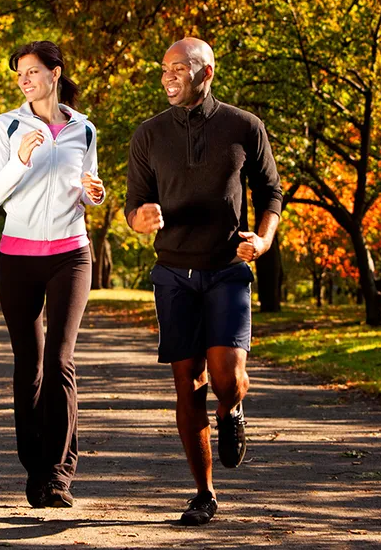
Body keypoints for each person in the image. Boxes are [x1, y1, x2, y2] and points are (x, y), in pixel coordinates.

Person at [125, 38, 283, 526]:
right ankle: (204, 493)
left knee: (224, 379)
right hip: (172, 272)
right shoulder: (148, 135)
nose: (168, 76)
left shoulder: (244, 127)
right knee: (187, 386)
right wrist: (140, 220)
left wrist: (264, 240)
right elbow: (134, 205)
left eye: (178, 68)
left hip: (226, 271)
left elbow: (271, 192)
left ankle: (233, 411)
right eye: (164, 68)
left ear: (206, 73)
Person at [0, 40, 105, 509]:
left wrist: (95, 194)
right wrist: (20, 160)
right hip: (18, 257)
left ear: (55, 74)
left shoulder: (85, 129)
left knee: (60, 361)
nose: (24, 80)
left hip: (71, 254)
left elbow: (85, 191)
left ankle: (58, 475)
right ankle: (34, 467)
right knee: (28, 366)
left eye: (32, 72)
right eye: (19, 75)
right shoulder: (7, 126)